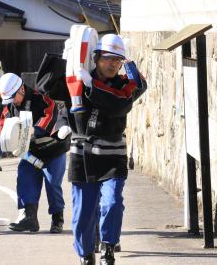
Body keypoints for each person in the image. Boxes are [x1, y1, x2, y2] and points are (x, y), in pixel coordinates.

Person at [68, 34, 147, 265]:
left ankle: (108, 247)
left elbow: (124, 100)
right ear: (96, 58)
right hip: (82, 153)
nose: (112, 64)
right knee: (83, 211)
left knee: (112, 202)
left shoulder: (124, 85)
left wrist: (129, 62)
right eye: (107, 58)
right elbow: (57, 98)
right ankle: (85, 253)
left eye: (117, 60)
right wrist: (70, 58)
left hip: (113, 153)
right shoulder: (79, 79)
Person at [0, 73, 69, 233]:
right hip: (30, 152)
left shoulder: (42, 100)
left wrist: (34, 130)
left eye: (13, 97)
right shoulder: (8, 108)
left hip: (53, 148)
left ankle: (57, 218)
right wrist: (12, 143)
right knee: (24, 177)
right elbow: (4, 128)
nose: (12, 102)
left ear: (21, 89)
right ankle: (30, 218)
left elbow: (50, 115)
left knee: (53, 184)